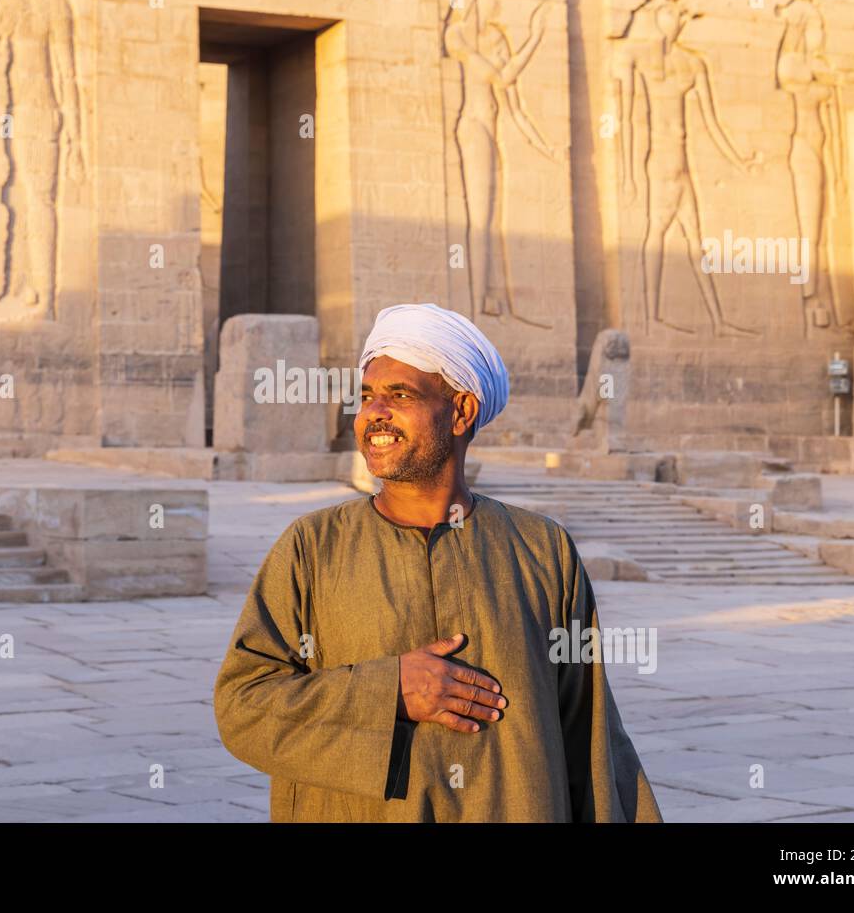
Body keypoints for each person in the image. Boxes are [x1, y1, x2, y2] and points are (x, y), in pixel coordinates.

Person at [213, 302, 664, 821]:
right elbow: (243, 707)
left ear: (461, 412)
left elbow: (592, 738)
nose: (373, 413)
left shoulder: (543, 550)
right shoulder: (311, 548)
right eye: (366, 397)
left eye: (399, 395)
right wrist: (389, 692)